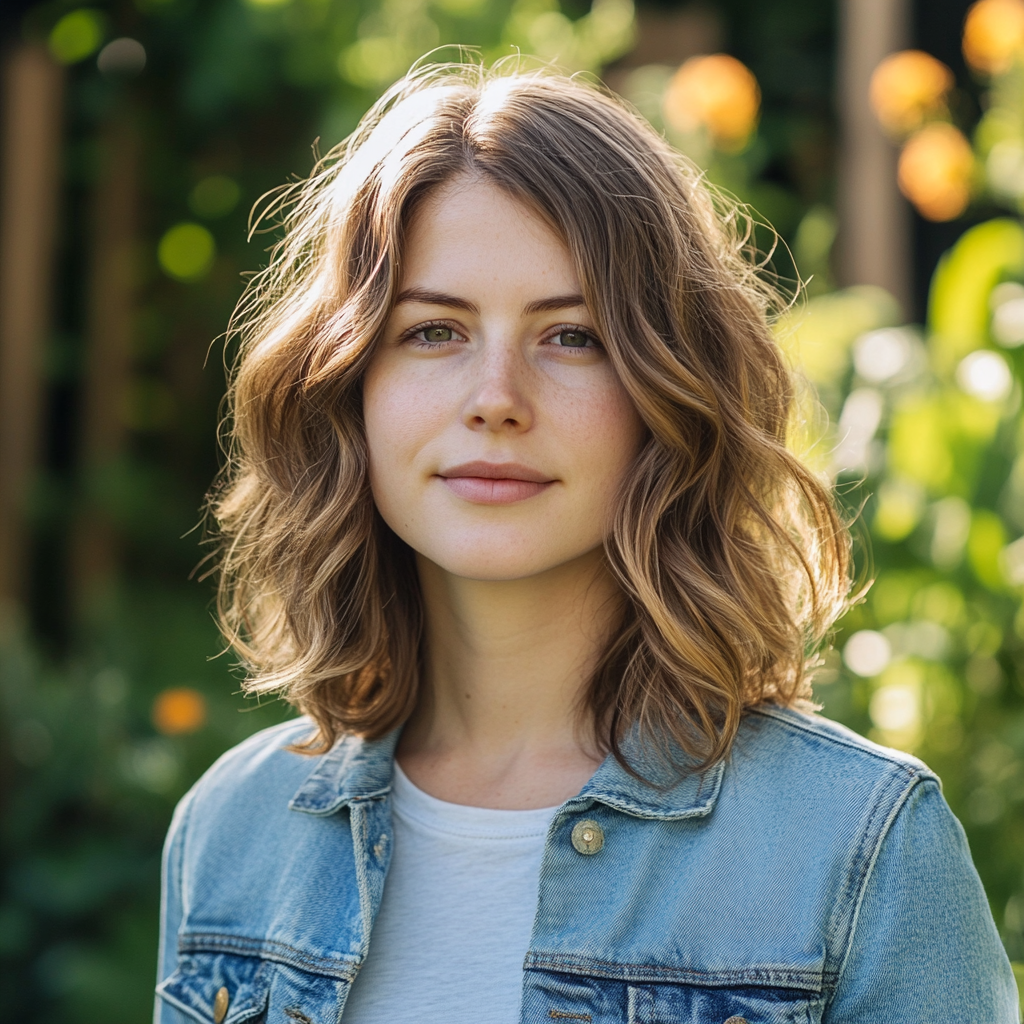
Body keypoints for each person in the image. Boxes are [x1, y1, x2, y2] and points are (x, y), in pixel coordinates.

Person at [154, 62, 1019, 1024]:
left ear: (669, 389)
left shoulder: (860, 848)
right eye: (433, 331)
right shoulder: (230, 835)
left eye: (573, 337)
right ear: (346, 384)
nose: (496, 400)